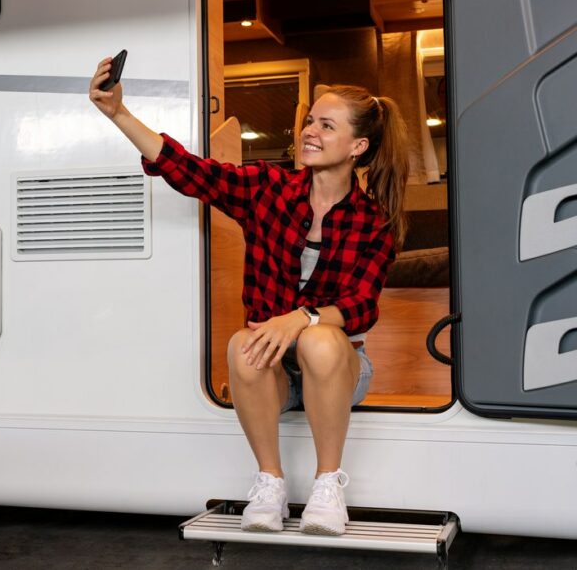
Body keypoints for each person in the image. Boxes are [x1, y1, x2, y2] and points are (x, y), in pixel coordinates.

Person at [89, 56, 408, 536]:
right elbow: (190, 171)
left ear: (358, 146)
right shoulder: (268, 188)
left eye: (326, 125)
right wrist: (118, 113)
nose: (309, 132)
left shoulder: (374, 220)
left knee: (320, 341)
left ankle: (327, 487)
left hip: (337, 368)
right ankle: (270, 484)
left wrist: (299, 318)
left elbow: (361, 307)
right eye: (309, 121)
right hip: (273, 370)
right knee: (243, 344)